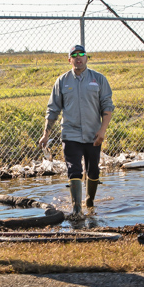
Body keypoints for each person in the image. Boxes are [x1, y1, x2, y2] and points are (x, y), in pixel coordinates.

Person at [38, 44, 113, 217]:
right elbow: (53, 109)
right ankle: (77, 209)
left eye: (82, 54)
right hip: (70, 134)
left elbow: (107, 106)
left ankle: (90, 202)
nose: (78, 57)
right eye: (74, 55)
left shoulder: (99, 79)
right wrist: (46, 133)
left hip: (93, 134)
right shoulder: (62, 81)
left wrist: (102, 131)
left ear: (87, 58)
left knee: (93, 170)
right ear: (69, 59)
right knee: (74, 170)